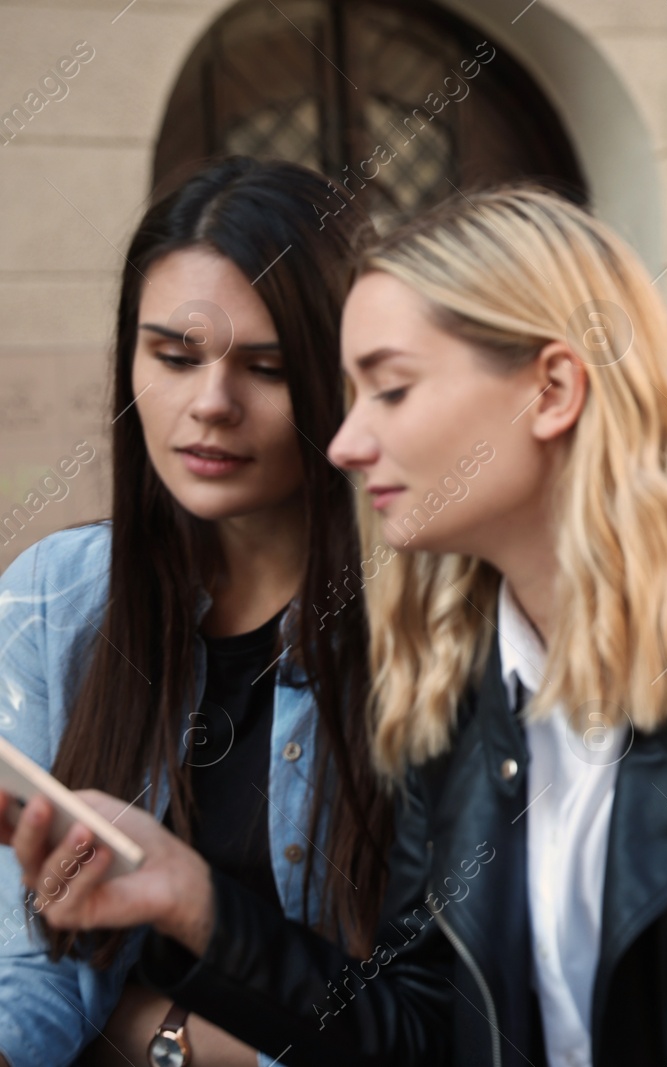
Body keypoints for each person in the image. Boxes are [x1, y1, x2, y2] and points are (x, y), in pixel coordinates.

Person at [9, 187, 667, 1067]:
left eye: (390, 388)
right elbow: (416, 1037)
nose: (345, 441)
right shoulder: (459, 681)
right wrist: (195, 903)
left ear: (552, 390)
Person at [0, 158, 390, 1067]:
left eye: (268, 368)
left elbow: (424, 1019)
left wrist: (163, 1037)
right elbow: (28, 963)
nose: (210, 404)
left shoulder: (420, 631)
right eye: (174, 357)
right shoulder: (54, 598)